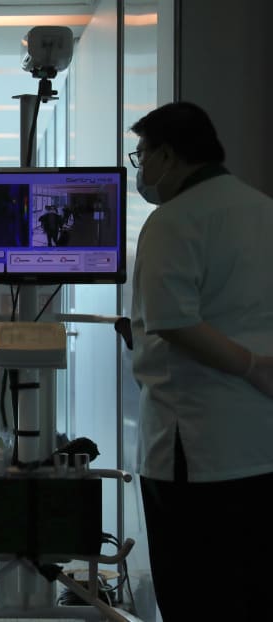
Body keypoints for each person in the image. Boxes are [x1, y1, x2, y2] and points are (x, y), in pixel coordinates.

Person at [129, 101, 273, 622]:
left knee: (193, 587)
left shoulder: (174, 219)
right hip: (258, 440)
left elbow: (172, 321)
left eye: (141, 156)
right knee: (251, 584)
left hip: (192, 443)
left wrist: (251, 364)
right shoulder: (262, 208)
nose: (140, 169)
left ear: (168, 154)